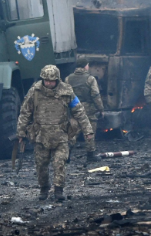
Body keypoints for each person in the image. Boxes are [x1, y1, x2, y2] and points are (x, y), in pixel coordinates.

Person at [16, 64, 97, 202]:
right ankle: (44, 188)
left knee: (59, 164)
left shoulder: (67, 91)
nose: (48, 83)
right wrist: (21, 132)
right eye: (46, 80)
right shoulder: (34, 91)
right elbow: (25, 112)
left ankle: (59, 189)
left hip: (61, 135)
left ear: (57, 80)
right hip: (41, 135)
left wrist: (87, 130)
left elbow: (79, 111)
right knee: (41, 165)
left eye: (51, 81)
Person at [65, 58, 105, 143]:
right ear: (86, 66)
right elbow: (95, 95)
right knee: (89, 132)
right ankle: (90, 153)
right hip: (88, 109)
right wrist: (101, 109)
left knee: (73, 132)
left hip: (73, 108)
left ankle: (67, 152)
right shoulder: (90, 79)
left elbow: (65, 95)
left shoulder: (68, 79)